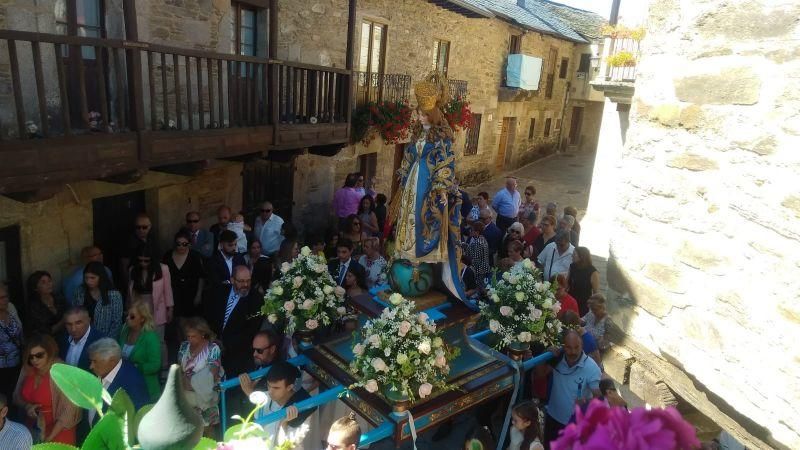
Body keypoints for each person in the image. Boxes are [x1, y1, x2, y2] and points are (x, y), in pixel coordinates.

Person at [390, 71, 466, 300]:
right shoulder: (417, 135)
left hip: (426, 184)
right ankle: (407, 252)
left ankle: (418, 255)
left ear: (432, 114)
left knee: (421, 216)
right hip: (413, 180)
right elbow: (410, 155)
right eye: (419, 114)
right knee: (407, 214)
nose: (420, 118)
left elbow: (445, 163)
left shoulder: (441, 137)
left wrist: (440, 187)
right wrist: (403, 172)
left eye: (424, 115)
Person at [13, 334, 80, 444]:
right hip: (33, 426)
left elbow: (69, 412)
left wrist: (48, 439)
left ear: (50, 352)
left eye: (39, 355)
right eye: (31, 357)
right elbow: (16, 396)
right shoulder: (27, 368)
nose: (34, 360)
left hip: (59, 428)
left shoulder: (62, 372)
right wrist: (27, 406)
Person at [543, 330, 601, 448]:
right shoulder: (557, 358)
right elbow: (540, 374)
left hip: (574, 424)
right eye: (569, 348)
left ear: (582, 346)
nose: (573, 352)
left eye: (576, 347)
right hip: (552, 417)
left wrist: (586, 404)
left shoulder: (592, 368)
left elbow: (599, 398)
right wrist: (545, 355)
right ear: (563, 346)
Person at [203, 266, 261, 378]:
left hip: (237, 355)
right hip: (212, 346)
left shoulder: (256, 299)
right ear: (232, 279)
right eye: (241, 281)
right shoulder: (219, 291)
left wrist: (224, 344)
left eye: (248, 280)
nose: (245, 285)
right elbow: (209, 314)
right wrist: (212, 337)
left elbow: (251, 331)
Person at [254, 361, 317, 449]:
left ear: (289, 387)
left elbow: (288, 446)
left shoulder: (303, 406)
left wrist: (284, 423)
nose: (270, 392)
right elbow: (255, 428)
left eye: (276, 388)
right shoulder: (265, 396)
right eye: (269, 386)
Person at [178, 317, 222, 435]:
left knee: (207, 434)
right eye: (188, 336)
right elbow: (179, 369)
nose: (190, 339)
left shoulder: (213, 349)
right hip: (186, 398)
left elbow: (212, 376)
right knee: (189, 432)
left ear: (203, 334)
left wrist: (190, 382)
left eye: (194, 336)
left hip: (205, 400)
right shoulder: (184, 347)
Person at [128, 245, 174, 358]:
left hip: (157, 306)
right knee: (141, 338)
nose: (143, 263)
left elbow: (167, 289)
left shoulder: (163, 268)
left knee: (159, 339)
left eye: (146, 261)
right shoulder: (133, 269)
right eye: (140, 260)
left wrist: (170, 308)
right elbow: (130, 292)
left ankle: (163, 366)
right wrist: (129, 309)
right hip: (139, 305)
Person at [87, 338, 149, 417]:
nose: (91, 366)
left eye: (95, 361)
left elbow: (138, 417)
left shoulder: (133, 382)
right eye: (91, 361)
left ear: (112, 361)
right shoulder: (100, 372)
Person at [118, 301, 162, 402]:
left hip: (146, 388)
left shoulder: (150, 337)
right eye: (127, 315)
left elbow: (155, 365)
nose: (127, 318)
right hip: (127, 386)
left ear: (142, 319)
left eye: (132, 316)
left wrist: (137, 367)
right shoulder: (124, 331)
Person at [163, 229, 206, 321]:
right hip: (174, 295)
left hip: (191, 295)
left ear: (189, 244)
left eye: (184, 244)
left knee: (191, 324)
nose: (181, 246)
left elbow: (201, 277)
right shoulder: (167, 256)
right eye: (178, 244)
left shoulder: (195, 256)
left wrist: (198, 295)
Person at [74, 262, 124, 340]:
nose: (89, 281)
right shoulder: (80, 291)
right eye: (86, 278)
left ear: (101, 277)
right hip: (84, 336)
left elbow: (117, 322)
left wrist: (108, 341)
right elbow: (75, 312)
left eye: (92, 278)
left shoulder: (113, 295)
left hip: (105, 338)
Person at [0, 285, 23, 413]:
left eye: (5, 297)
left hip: (17, 363)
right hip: (1, 367)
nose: (4, 300)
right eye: (0, 298)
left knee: (17, 393)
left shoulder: (11, 308)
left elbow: (20, 331)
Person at [59, 307, 104, 372]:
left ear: (88, 321)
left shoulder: (102, 342)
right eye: (69, 324)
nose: (73, 329)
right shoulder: (62, 339)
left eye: (78, 323)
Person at [120, 213, 154, 290]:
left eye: (144, 227)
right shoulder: (128, 243)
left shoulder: (152, 239)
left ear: (150, 227)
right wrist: (128, 286)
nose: (141, 230)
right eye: (138, 227)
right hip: (135, 282)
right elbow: (124, 266)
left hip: (151, 281)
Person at [26, 271, 67, 336]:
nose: (48, 284)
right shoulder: (34, 306)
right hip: (48, 340)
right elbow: (45, 332)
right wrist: (62, 322)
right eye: (43, 282)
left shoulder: (58, 297)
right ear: (35, 288)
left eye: (49, 281)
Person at [567, 247, 599, 316]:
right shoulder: (572, 266)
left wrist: (594, 307)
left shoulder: (592, 272)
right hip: (571, 300)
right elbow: (567, 283)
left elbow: (595, 292)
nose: (572, 256)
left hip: (583, 304)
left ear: (581, 256)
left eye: (574, 254)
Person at [464, 222, 490, 288]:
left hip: (479, 270)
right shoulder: (480, 239)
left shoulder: (479, 243)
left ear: (477, 232)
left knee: (478, 287)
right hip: (481, 268)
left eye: (472, 230)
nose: (470, 231)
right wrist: (461, 244)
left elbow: (474, 259)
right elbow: (471, 247)